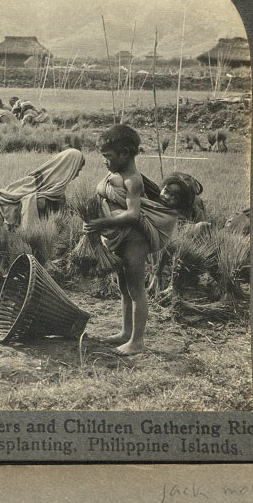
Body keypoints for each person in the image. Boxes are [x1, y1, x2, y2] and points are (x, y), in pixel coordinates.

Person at [83, 124, 176, 355]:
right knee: (124, 288)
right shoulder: (114, 173)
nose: (105, 161)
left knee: (136, 290)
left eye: (108, 156)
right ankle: (125, 333)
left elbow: (133, 215)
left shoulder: (132, 179)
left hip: (134, 239)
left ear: (125, 153)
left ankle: (137, 341)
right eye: (103, 156)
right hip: (119, 238)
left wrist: (101, 223)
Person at [0, 148, 85, 231]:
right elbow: (13, 195)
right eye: (77, 170)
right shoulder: (38, 180)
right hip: (32, 235)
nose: (77, 175)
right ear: (68, 167)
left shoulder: (57, 188)